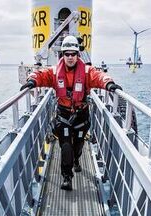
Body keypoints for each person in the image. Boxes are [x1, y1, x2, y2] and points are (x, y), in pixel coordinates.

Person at [20, 36, 122, 191]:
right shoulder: (54, 72)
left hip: (81, 114)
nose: (69, 57)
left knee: (78, 145)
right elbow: (41, 75)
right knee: (66, 146)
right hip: (64, 114)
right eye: (66, 54)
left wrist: (109, 84)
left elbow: (99, 77)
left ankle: (77, 160)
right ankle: (67, 177)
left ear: (77, 55)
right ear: (62, 55)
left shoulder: (87, 71)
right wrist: (32, 81)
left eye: (73, 54)